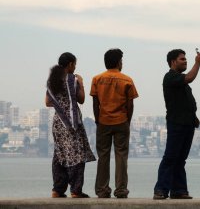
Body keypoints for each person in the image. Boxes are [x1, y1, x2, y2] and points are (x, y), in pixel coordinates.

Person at [153, 49, 200, 200]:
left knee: (181, 159)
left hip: (187, 124)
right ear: (173, 62)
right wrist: (198, 63)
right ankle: (160, 190)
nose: (185, 61)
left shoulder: (180, 80)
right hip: (176, 124)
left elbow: (184, 101)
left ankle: (178, 190)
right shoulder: (170, 77)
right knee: (170, 157)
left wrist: (194, 117)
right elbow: (189, 78)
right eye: (182, 59)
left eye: (186, 59)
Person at [45, 52, 96, 198]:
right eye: (75, 64)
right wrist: (81, 83)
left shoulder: (52, 80)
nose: (75, 67)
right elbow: (81, 99)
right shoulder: (73, 80)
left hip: (58, 123)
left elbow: (48, 102)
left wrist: (60, 103)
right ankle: (76, 190)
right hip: (72, 123)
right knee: (77, 155)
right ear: (70, 64)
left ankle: (57, 190)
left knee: (60, 154)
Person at [90, 48, 139, 198]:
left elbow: (95, 103)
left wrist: (98, 120)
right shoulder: (127, 80)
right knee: (121, 156)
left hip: (103, 121)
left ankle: (102, 190)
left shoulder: (97, 79)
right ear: (118, 62)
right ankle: (121, 190)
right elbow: (130, 105)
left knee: (103, 156)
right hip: (122, 121)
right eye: (121, 60)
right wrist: (127, 121)